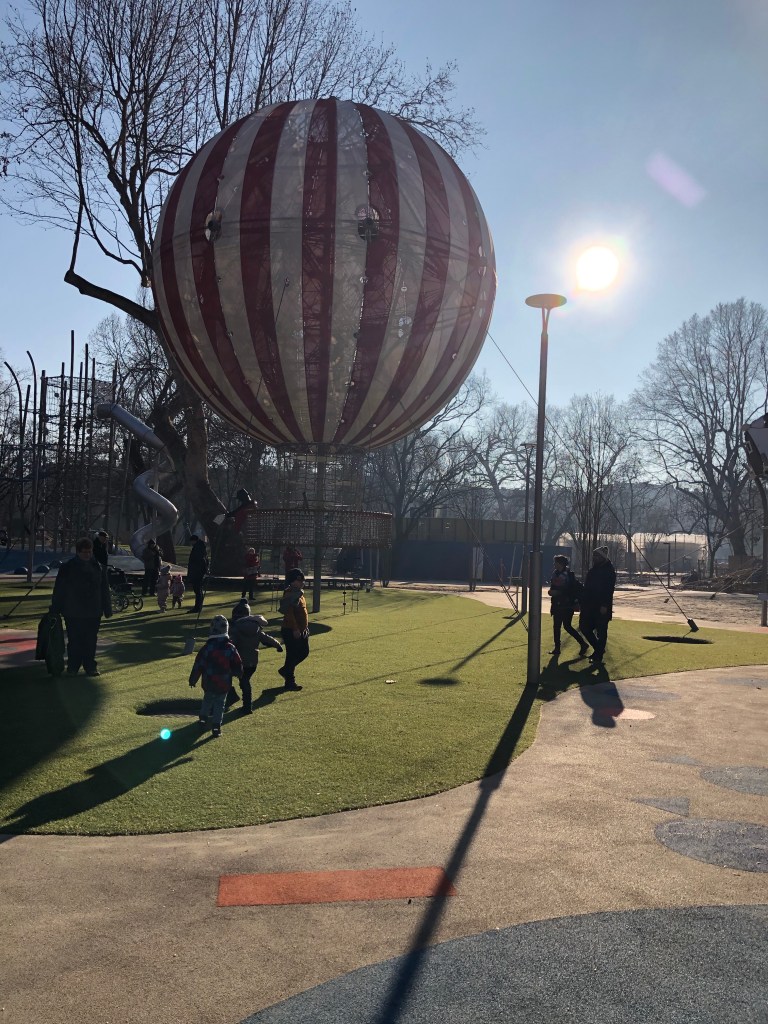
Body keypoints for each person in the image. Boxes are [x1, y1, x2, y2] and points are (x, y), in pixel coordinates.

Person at [50, 536, 112, 677]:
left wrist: (107, 608)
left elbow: (104, 589)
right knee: (74, 640)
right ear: (78, 552)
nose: (87, 555)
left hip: (93, 610)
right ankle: (73, 666)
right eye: (85, 552)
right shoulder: (67, 567)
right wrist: (55, 608)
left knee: (91, 640)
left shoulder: (98, 567)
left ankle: (90, 666)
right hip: (73, 610)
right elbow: (59, 589)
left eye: (89, 552)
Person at [188, 615, 243, 738]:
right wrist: (239, 673)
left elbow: (198, 664)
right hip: (223, 682)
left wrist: (193, 679)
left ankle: (203, 719)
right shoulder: (230, 647)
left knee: (207, 700)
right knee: (220, 704)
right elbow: (237, 662)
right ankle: (216, 727)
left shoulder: (207, 648)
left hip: (209, 681)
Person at [229, 599, 284, 713]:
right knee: (245, 681)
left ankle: (241, 702)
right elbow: (267, 639)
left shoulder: (235, 629)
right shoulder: (256, 628)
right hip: (252, 662)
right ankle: (246, 705)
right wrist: (278, 645)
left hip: (238, 661)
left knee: (228, 676)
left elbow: (231, 644)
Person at [578, 545, 617, 664]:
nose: (594, 558)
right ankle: (599, 650)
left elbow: (609, 589)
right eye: (594, 555)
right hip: (589, 605)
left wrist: (604, 605)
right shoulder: (593, 570)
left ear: (602, 557)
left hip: (601, 605)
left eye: (597, 556)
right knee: (584, 627)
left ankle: (598, 655)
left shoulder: (609, 571)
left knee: (601, 631)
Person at [547, 555, 588, 658]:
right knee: (556, 626)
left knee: (567, 626)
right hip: (556, 604)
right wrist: (551, 592)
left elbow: (571, 590)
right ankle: (557, 648)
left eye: (556, 562)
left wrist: (558, 593)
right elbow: (553, 587)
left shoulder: (569, 575)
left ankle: (583, 643)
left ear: (561, 564)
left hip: (567, 605)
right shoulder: (555, 574)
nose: (554, 564)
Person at [278, 568, 309, 691]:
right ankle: (290, 681)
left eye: (302, 580)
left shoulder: (299, 593)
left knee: (304, 652)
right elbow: (289, 613)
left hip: (301, 629)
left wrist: (305, 627)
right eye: (299, 580)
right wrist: (295, 628)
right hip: (290, 629)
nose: (302, 582)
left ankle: (286, 670)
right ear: (292, 581)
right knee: (292, 655)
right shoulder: (290, 593)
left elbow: (303, 612)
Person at [187, 534, 209, 613]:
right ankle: (198, 607)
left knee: (198, 590)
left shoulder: (198, 548)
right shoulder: (201, 547)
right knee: (199, 590)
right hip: (199, 571)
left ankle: (197, 607)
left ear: (194, 541)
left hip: (197, 572)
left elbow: (200, 560)